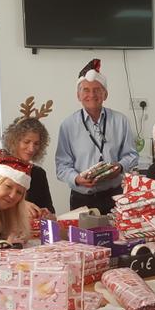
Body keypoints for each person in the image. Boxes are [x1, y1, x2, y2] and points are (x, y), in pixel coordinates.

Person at [55, 58, 140, 214]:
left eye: (97, 89)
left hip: (115, 196)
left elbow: (132, 155)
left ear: (105, 94)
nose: (91, 94)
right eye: (86, 90)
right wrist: (76, 178)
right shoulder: (68, 125)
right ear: (78, 95)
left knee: (118, 238)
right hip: (81, 198)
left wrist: (120, 167)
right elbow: (61, 166)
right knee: (80, 239)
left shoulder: (121, 121)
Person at [2, 95, 55, 216]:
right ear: (14, 140)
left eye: (36, 144)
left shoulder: (38, 174)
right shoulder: (0, 169)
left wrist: (47, 214)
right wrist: (20, 205)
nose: (31, 149)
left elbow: (50, 209)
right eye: (26, 142)